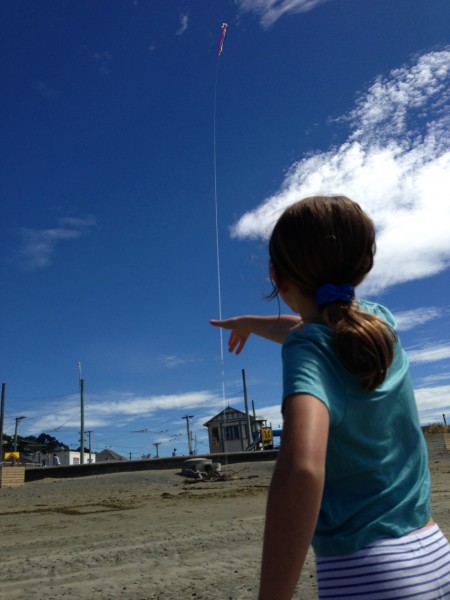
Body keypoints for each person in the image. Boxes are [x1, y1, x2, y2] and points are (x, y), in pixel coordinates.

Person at [211, 195, 450, 600]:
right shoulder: (379, 324)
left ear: (276, 276)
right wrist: (250, 323)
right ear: (362, 265)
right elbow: (313, 325)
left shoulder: (308, 349)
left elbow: (302, 469)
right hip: (432, 552)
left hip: (369, 574)